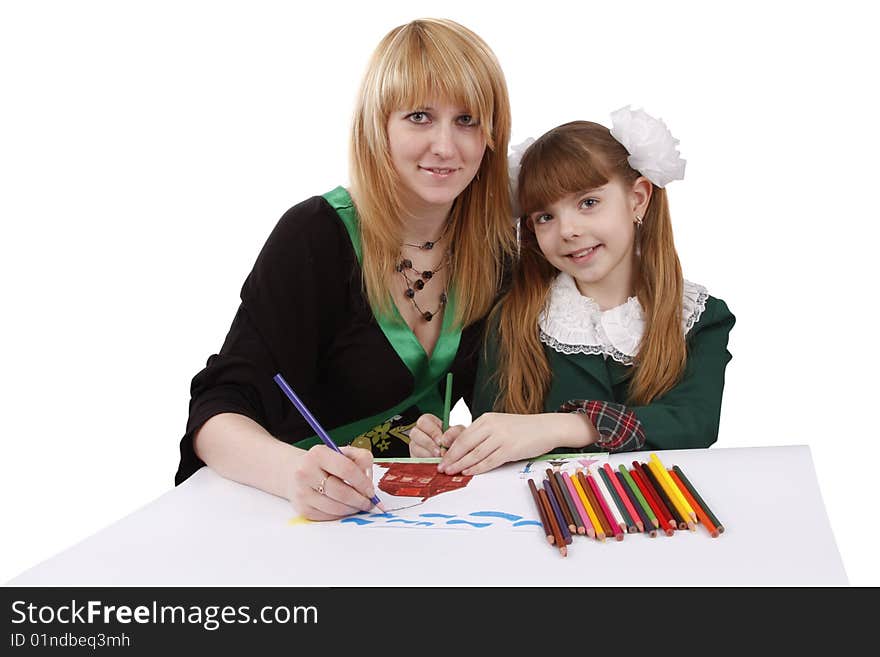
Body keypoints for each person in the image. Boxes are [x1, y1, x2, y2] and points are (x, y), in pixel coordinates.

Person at [175, 18, 516, 520]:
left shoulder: (494, 250)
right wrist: (295, 475)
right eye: (419, 116)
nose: (446, 146)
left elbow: (503, 401)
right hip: (287, 516)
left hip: (404, 517)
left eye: (467, 120)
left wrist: (447, 438)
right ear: (379, 126)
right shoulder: (315, 234)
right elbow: (214, 416)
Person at [410, 108, 735, 476]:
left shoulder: (698, 316)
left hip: (661, 520)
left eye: (588, 203)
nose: (568, 230)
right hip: (548, 519)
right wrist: (454, 444)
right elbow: (498, 435)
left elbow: (693, 424)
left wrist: (564, 426)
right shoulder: (513, 320)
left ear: (638, 198)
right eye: (545, 216)